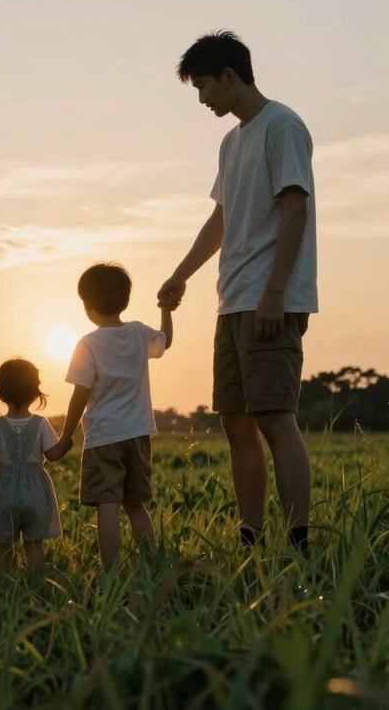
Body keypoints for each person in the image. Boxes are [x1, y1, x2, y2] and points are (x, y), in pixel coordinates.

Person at [157, 31, 317, 553]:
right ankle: (251, 539)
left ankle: (298, 542)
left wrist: (275, 293)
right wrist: (182, 273)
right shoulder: (231, 142)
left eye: (204, 86)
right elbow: (221, 219)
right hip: (234, 299)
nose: (202, 99)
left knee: (275, 418)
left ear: (230, 76)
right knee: (235, 422)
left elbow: (296, 209)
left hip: (270, 300)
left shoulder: (283, 126)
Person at [56, 263, 173, 570]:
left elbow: (79, 395)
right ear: (125, 299)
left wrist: (66, 436)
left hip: (104, 437)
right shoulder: (138, 332)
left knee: (107, 506)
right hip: (138, 434)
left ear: (88, 305)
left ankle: (111, 571)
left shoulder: (88, 344)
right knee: (136, 504)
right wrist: (166, 310)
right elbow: (166, 341)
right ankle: (153, 564)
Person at [0, 358, 64, 573]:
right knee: (34, 544)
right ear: (35, 392)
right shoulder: (41, 424)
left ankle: (2, 583)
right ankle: (36, 583)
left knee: (3, 546)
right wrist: (65, 442)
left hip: (3, 491)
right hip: (36, 492)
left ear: (0, 394)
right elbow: (53, 454)